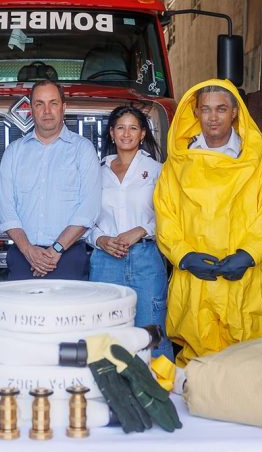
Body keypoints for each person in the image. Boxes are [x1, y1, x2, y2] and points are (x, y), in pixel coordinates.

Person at [154, 78, 262, 366]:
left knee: (248, 365)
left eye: (221, 109)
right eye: (206, 109)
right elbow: (166, 216)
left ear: (235, 112)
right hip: (196, 280)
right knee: (197, 370)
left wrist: (248, 255)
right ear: (196, 112)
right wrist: (184, 256)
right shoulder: (177, 165)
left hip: (244, 279)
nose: (213, 117)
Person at [87, 105, 171, 358]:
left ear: (143, 133)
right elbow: (83, 217)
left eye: (133, 128)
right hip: (105, 261)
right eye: (120, 128)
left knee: (151, 333)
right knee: (105, 334)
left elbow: (171, 215)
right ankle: (108, 392)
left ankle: (159, 390)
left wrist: (142, 229)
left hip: (146, 258)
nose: (126, 133)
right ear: (111, 133)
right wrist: (100, 239)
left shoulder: (158, 170)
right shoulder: (96, 172)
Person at [0, 80, 101, 280]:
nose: (47, 110)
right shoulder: (14, 151)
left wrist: (56, 250)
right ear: (31, 109)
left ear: (63, 107)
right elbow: (5, 208)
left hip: (69, 256)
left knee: (70, 312)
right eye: (39, 104)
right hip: (22, 257)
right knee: (20, 312)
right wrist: (28, 250)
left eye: (53, 103)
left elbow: (89, 208)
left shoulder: (82, 149)